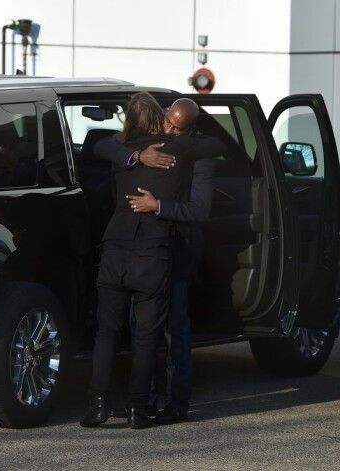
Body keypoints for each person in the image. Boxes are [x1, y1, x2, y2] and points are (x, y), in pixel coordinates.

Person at [80, 92, 217, 430]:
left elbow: (200, 209)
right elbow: (101, 145)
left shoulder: (191, 154)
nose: (169, 131)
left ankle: (174, 402)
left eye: (177, 128)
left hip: (174, 250)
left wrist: (157, 206)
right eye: (167, 122)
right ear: (162, 116)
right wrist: (139, 155)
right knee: (143, 334)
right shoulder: (136, 151)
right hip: (150, 254)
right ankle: (140, 405)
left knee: (172, 329)